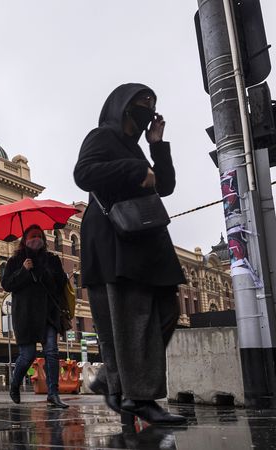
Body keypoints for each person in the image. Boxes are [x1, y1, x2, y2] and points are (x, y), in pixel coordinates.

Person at [74, 83, 186, 424]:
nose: (149, 109)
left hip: (146, 239)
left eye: (152, 103)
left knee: (168, 309)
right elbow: (84, 174)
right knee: (134, 318)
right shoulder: (101, 137)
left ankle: (113, 377)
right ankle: (140, 397)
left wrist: (157, 146)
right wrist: (135, 171)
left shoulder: (138, 148)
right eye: (142, 102)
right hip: (116, 240)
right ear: (122, 106)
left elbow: (164, 185)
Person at [1, 225, 69, 408]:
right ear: (25, 240)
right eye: (33, 236)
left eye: (40, 236)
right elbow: (7, 284)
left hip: (48, 313)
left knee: (52, 352)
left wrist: (47, 272)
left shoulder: (52, 259)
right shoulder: (15, 261)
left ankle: (53, 394)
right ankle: (15, 384)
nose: (37, 239)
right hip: (26, 315)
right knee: (28, 355)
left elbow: (61, 282)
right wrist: (24, 270)